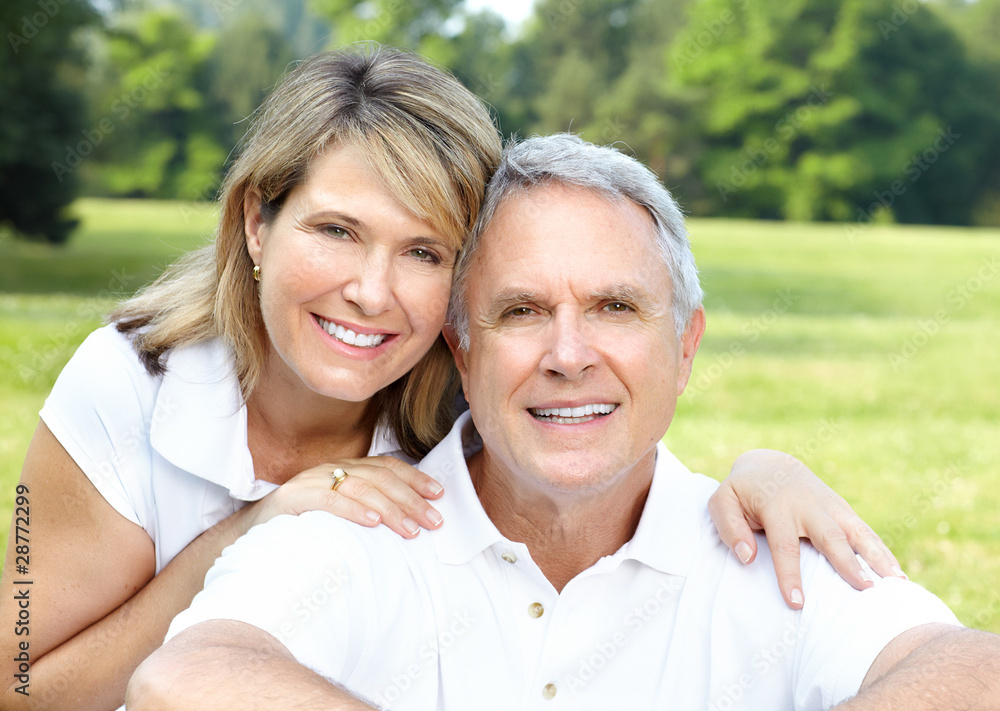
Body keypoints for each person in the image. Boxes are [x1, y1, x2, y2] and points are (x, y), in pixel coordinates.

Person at [1, 48, 894, 711]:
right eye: (337, 231)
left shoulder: (456, 397)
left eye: (423, 251)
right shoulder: (132, 382)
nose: (373, 290)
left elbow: (604, 431)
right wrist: (255, 525)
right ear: (257, 223)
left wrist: (765, 471)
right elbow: (18, 681)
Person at [127, 134, 1000, 711]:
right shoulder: (363, 530)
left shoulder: (769, 547)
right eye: (521, 311)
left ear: (685, 344)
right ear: (462, 353)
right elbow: (185, 677)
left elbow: (973, 671)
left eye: (616, 306)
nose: (569, 353)